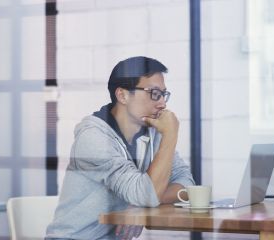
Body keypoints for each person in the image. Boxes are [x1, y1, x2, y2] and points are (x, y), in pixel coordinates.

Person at [46, 56, 195, 240]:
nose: (163, 103)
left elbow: (187, 184)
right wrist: (171, 135)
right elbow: (148, 195)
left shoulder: (153, 132)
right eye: (154, 93)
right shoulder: (93, 137)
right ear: (122, 95)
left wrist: (140, 204)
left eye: (164, 94)